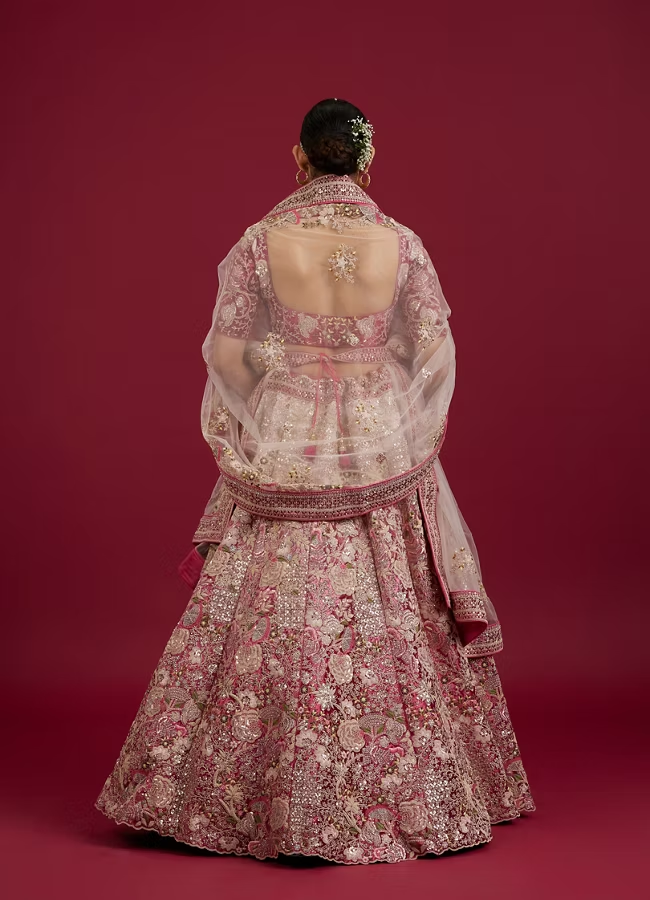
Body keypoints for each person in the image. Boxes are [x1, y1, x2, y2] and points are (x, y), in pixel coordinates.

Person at [96, 98, 535, 864]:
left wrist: (276, 389)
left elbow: (227, 357)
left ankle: (234, 791)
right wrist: (394, 412)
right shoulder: (402, 244)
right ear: (367, 162)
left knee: (259, 596)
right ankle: (400, 786)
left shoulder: (260, 244)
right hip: (377, 433)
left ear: (298, 158)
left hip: (289, 428)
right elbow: (434, 354)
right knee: (395, 592)